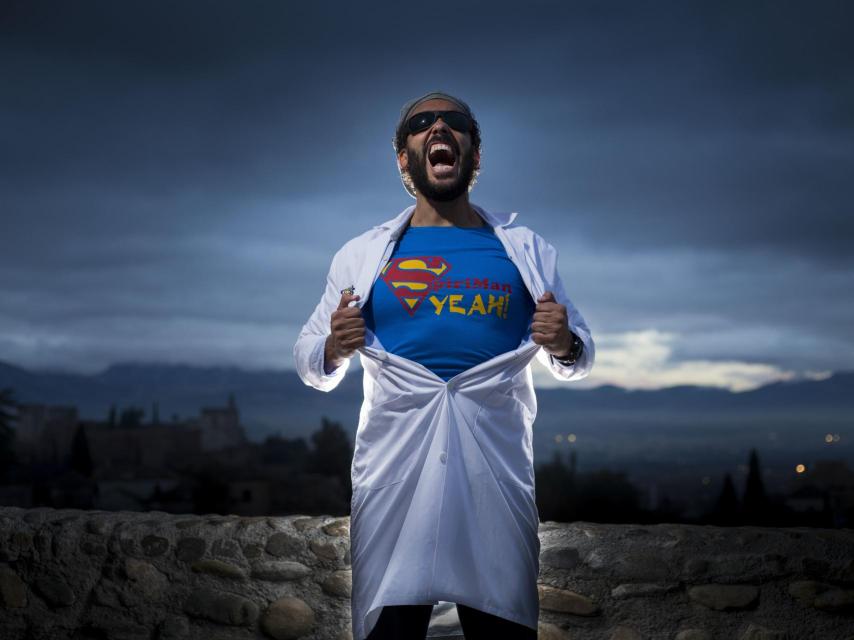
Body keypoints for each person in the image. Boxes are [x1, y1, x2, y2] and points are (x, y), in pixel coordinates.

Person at [293, 90, 595, 640]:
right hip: (396, 474)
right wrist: (334, 347)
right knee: (392, 631)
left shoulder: (526, 250)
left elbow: (578, 355)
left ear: (474, 156)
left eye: (455, 122)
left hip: (493, 475)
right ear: (404, 158)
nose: (439, 127)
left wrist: (566, 343)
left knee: (501, 628)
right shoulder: (362, 255)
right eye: (421, 123)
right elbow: (310, 361)